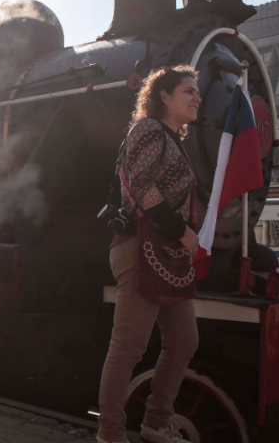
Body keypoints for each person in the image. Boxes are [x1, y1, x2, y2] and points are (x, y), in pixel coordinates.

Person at [97, 65, 202, 443]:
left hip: (167, 252)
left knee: (185, 341)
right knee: (129, 345)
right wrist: (182, 232)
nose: (197, 97)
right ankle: (110, 433)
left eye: (198, 92)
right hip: (139, 246)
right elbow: (141, 187)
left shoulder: (172, 138)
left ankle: (157, 423)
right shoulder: (148, 129)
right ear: (164, 96)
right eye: (189, 90)